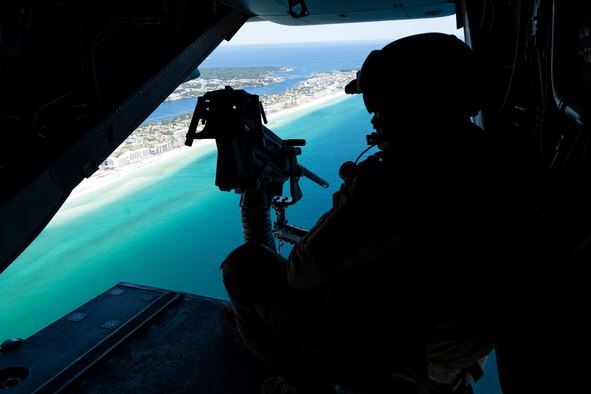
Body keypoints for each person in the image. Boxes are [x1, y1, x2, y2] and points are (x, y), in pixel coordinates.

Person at [220, 32, 522, 394]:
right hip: (460, 355)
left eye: (378, 105)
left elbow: (301, 272)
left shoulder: (391, 187)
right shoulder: (501, 164)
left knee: (243, 266)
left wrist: (351, 195)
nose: (375, 119)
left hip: (403, 357)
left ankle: (304, 387)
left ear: (407, 104)